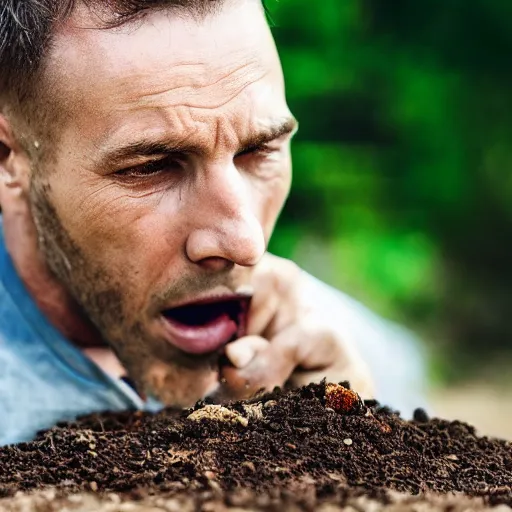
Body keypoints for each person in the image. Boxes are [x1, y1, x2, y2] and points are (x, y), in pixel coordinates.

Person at [0, 0, 426, 446]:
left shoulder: (364, 366)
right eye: (152, 167)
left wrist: (351, 448)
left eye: (259, 152)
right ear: (8, 158)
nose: (246, 244)